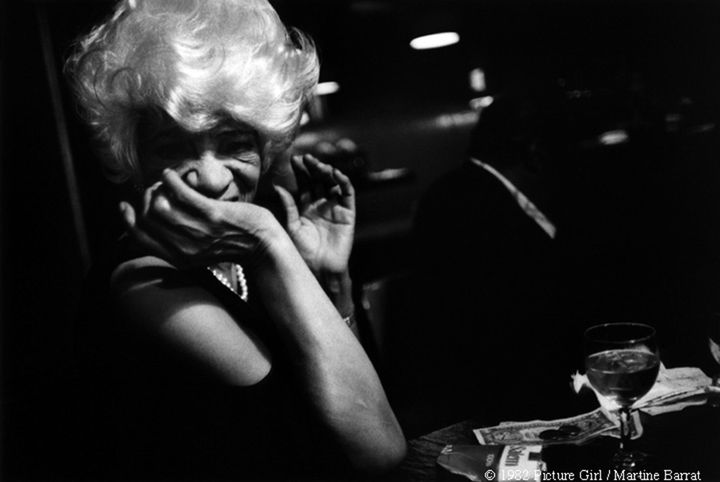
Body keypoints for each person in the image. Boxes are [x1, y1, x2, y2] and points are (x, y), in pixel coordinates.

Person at [65, 0, 405, 479]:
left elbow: (360, 400)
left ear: (266, 148)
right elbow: (373, 448)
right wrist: (270, 242)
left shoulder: (235, 259)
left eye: (233, 144)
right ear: (133, 157)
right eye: (173, 147)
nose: (209, 177)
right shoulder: (142, 282)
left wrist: (329, 281)